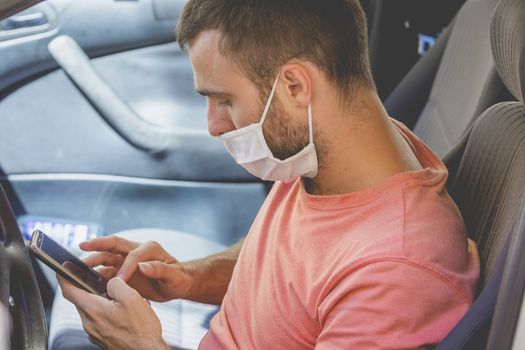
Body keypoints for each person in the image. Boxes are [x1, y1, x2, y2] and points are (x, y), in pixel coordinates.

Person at [58, 0, 480, 348]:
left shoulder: (398, 273)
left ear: (295, 86)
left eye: (224, 100)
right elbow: (297, 264)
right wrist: (189, 278)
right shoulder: (327, 153)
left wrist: (143, 345)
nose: (213, 125)